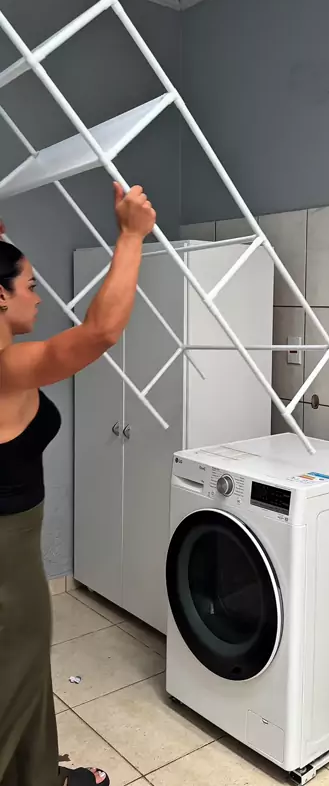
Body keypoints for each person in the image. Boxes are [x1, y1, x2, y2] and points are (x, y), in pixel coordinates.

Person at [0, 183, 156, 786]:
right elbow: (99, 332)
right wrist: (131, 235)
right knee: (11, 680)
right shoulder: (9, 372)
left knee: (25, 674)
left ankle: (39, 775)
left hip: (14, 551)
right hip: (6, 562)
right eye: (30, 285)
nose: (39, 296)